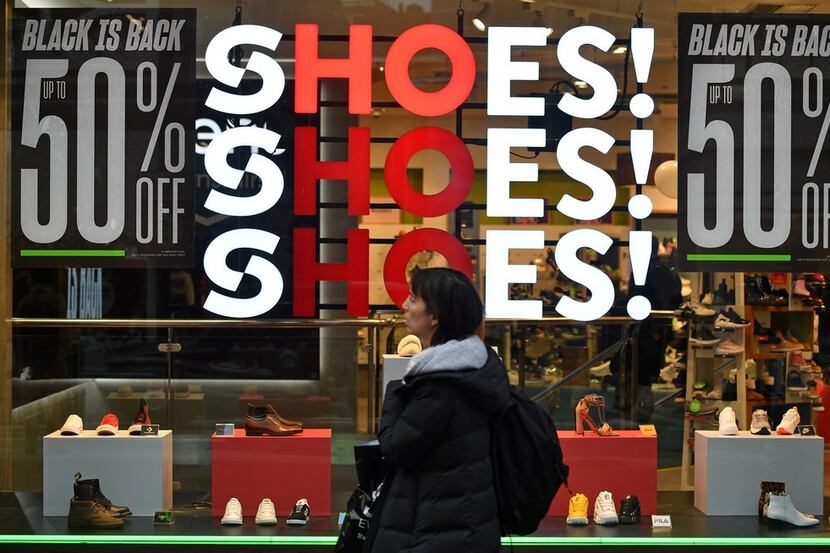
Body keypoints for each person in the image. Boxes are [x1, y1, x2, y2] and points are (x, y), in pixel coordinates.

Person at [367, 268, 509, 553]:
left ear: (435, 316)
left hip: (430, 529)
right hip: (464, 521)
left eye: (413, 299)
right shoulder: (476, 369)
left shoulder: (439, 386)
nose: (405, 306)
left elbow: (396, 448)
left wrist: (397, 390)